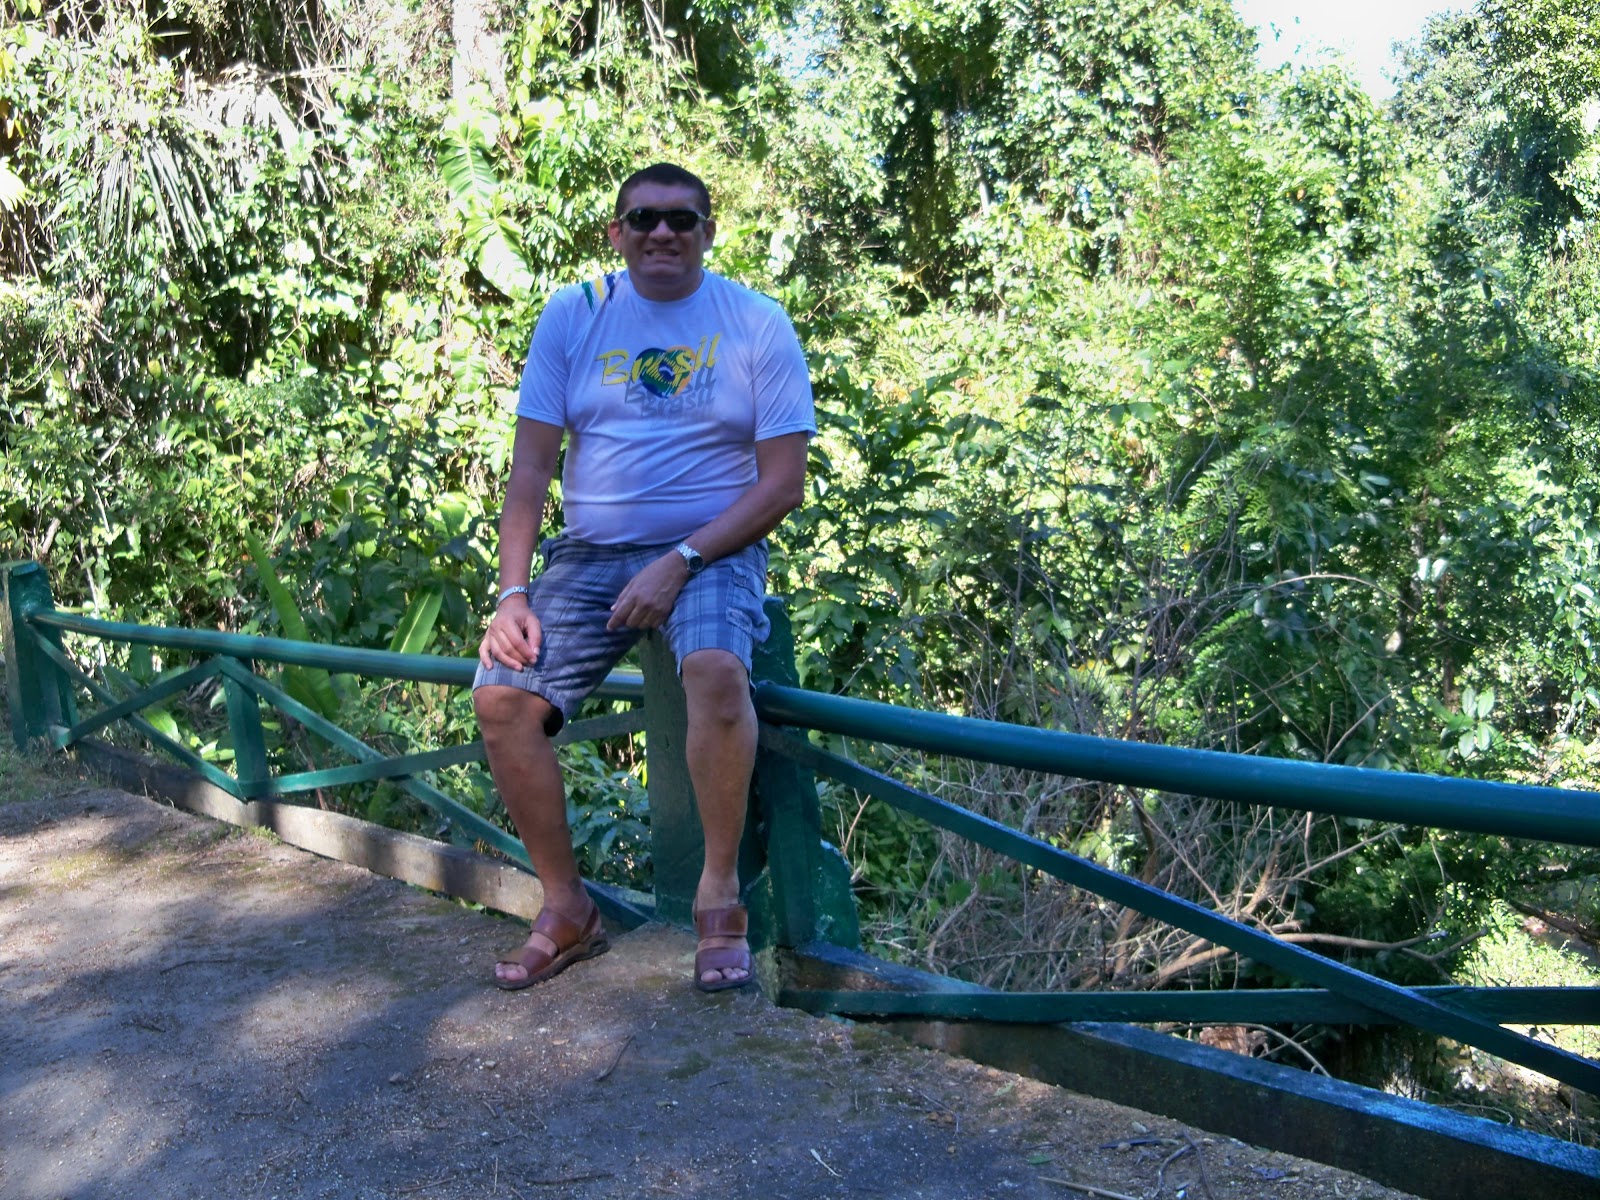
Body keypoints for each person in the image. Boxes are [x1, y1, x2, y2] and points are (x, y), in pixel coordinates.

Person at [473, 163, 814, 993]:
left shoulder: (755, 322)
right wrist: (511, 594)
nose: (663, 232)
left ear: (708, 232)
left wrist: (682, 560)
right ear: (617, 233)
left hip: (711, 549)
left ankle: (719, 896)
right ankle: (567, 909)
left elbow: (782, 485)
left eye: (682, 220)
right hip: (591, 553)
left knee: (715, 670)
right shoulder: (575, 314)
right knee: (501, 697)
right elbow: (530, 470)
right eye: (644, 218)